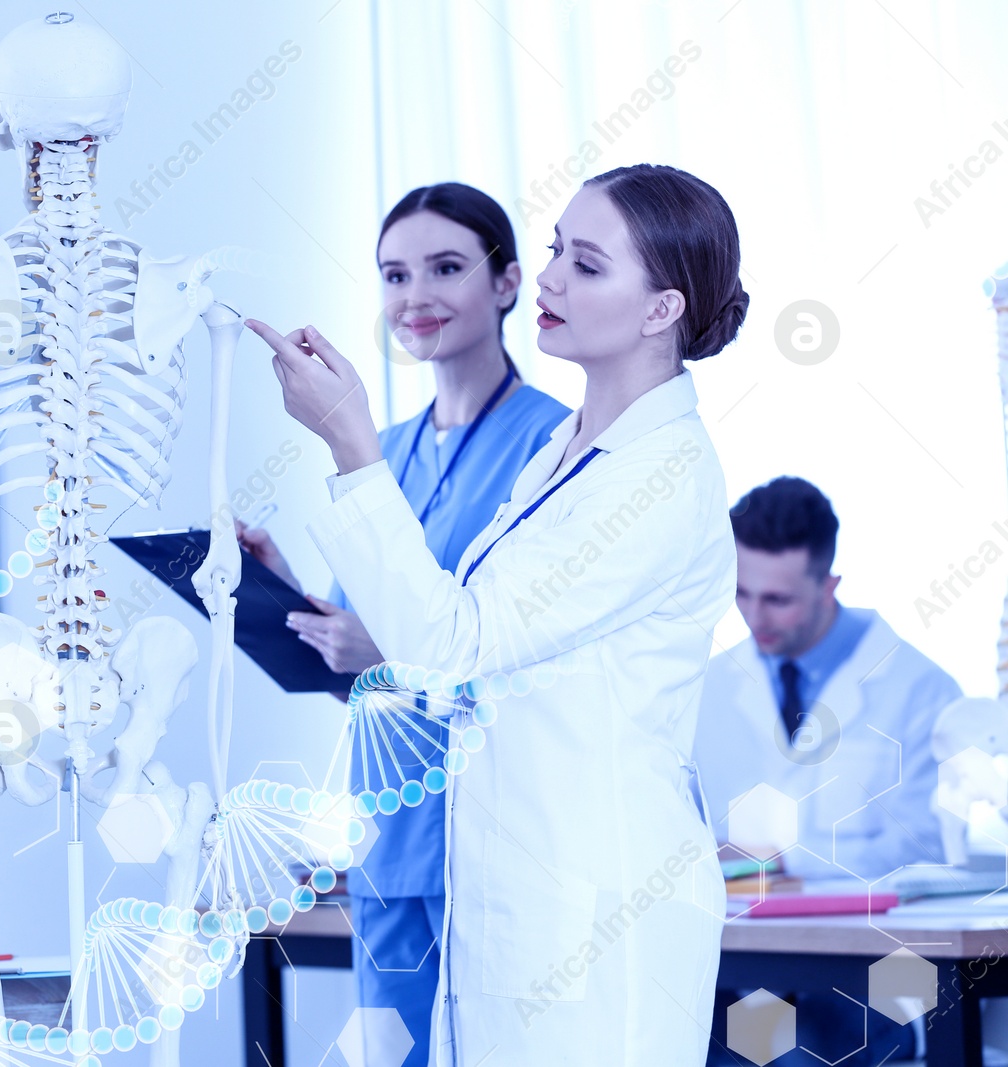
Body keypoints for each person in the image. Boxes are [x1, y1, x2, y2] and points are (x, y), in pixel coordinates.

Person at [248, 162, 750, 1065]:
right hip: (505, 885)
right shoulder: (566, 453)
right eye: (556, 248)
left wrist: (349, 441)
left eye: (586, 264)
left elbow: (455, 643)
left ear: (660, 310)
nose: (550, 278)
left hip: (598, 909)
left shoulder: (661, 475)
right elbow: (465, 648)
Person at [240, 182, 568, 1066]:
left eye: (446, 268)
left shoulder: (557, 447)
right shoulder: (380, 446)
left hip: (489, 826)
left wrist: (381, 651)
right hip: (386, 826)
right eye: (394, 274)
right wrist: (281, 590)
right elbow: (363, 642)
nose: (414, 295)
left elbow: (540, 652)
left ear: (506, 284)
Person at [696, 476, 961, 1066]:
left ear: (829, 586)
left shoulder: (920, 690)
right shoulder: (711, 688)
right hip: (751, 967)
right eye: (742, 593)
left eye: (778, 599)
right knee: (686, 1039)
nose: (754, 615)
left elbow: (925, 851)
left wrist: (770, 858)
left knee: (799, 1052)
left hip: (882, 973)